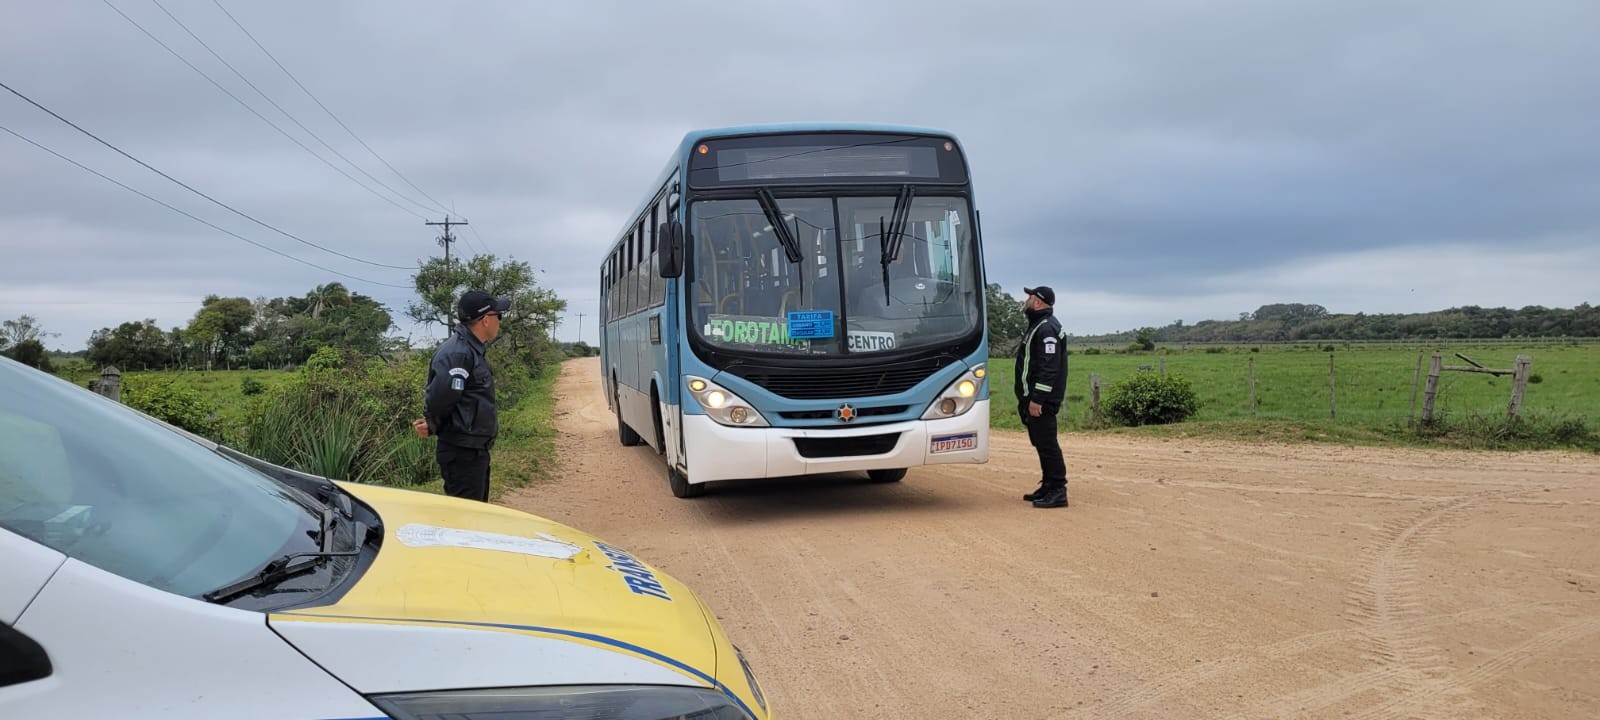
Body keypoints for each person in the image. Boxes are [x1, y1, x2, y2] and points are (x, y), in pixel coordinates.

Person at [412, 290, 510, 502]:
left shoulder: (472, 350)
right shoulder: (459, 354)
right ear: (485, 320)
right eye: (498, 316)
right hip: (462, 453)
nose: (500, 322)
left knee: (476, 517)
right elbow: (441, 398)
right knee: (466, 523)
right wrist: (432, 424)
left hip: (474, 451)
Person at [1015, 285, 1069, 508]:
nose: (1026, 299)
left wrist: (1037, 399)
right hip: (1034, 398)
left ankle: (1058, 490)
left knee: (1047, 443)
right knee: (1041, 442)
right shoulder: (1038, 325)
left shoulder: (1046, 329)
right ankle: (1047, 485)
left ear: (1038, 302)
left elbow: (1049, 367)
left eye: (1030, 296)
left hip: (1042, 401)